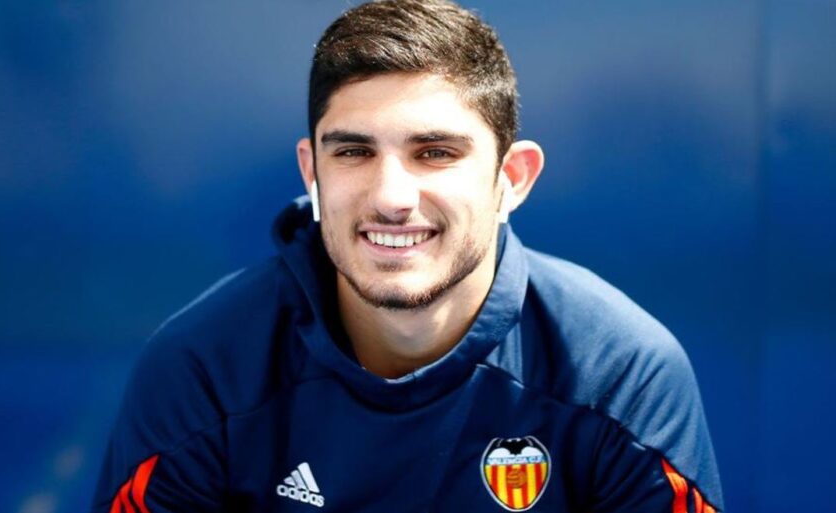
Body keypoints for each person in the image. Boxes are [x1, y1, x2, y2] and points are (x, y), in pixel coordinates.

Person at [93, 1, 723, 511]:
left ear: (512, 179)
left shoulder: (618, 374)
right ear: (312, 173)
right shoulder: (204, 367)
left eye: (435, 153)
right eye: (354, 152)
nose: (391, 197)